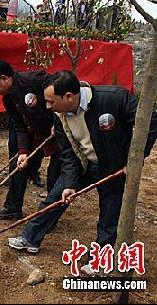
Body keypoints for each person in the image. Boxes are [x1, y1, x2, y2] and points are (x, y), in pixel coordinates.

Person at [8, 71, 157, 272]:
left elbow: (149, 120)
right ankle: (30, 238)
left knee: (109, 215)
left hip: (114, 166)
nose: (47, 106)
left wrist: (136, 158)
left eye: (51, 101)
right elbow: (68, 152)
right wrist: (70, 183)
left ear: (69, 96)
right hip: (83, 163)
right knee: (55, 198)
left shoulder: (113, 98)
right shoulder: (60, 115)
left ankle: (98, 259)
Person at [0, 60, 61, 220]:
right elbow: (19, 125)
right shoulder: (8, 98)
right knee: (17, 165)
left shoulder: (34, 80)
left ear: (4, 78)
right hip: (38, 133)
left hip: (61, 132)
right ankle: (12, 208)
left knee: (55, 173)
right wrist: (23, 152)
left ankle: (50, 214)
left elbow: (61, 91)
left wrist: (59, 119)